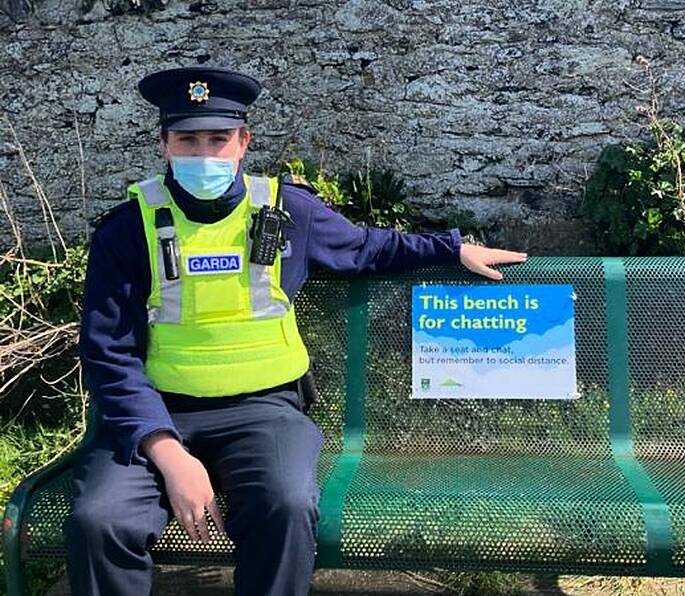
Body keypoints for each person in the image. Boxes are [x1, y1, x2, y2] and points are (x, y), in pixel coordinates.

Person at [64, 65, 527, 596]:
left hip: (265, 411)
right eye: (188, 140)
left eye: (219, 139)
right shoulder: (128, 229)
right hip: (157, 416)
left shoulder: (288, 210)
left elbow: (366, 247)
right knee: (98, 521)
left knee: (285, 506)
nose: (205, 154)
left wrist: (452, 248)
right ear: (163, 145)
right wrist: (169, 455)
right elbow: (108, 355)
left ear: (244, 142)